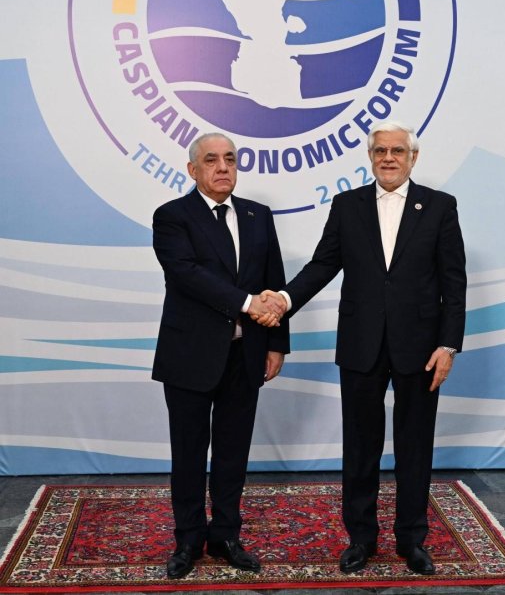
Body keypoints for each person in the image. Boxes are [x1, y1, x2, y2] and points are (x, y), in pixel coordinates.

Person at [258, 120, 466, 576]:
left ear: (413, 158)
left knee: (415, 446)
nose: (388, 158)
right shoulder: (347, 205)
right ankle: (361, 539)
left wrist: (448, 345)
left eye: (397, 151)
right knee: (360, 447)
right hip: (360, 344)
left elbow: (454, 282)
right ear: (370, 157)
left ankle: (412, 539)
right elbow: (322, 265)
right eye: (380, 151)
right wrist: (285, 300)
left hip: (421, 349)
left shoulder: (440, 206)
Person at [152, 132, 289, 579]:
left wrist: (276, 343)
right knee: (188, 453)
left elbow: (273, 278)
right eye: (211, 160)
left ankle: (226, 535)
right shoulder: (172, 216)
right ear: (193, 170)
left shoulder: (257, 215)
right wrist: (249, 304)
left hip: (245, 354)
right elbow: (187, 274)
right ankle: (188, 539)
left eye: (230, 158)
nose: (223, 167)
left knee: (233, 452)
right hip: (189, 354)